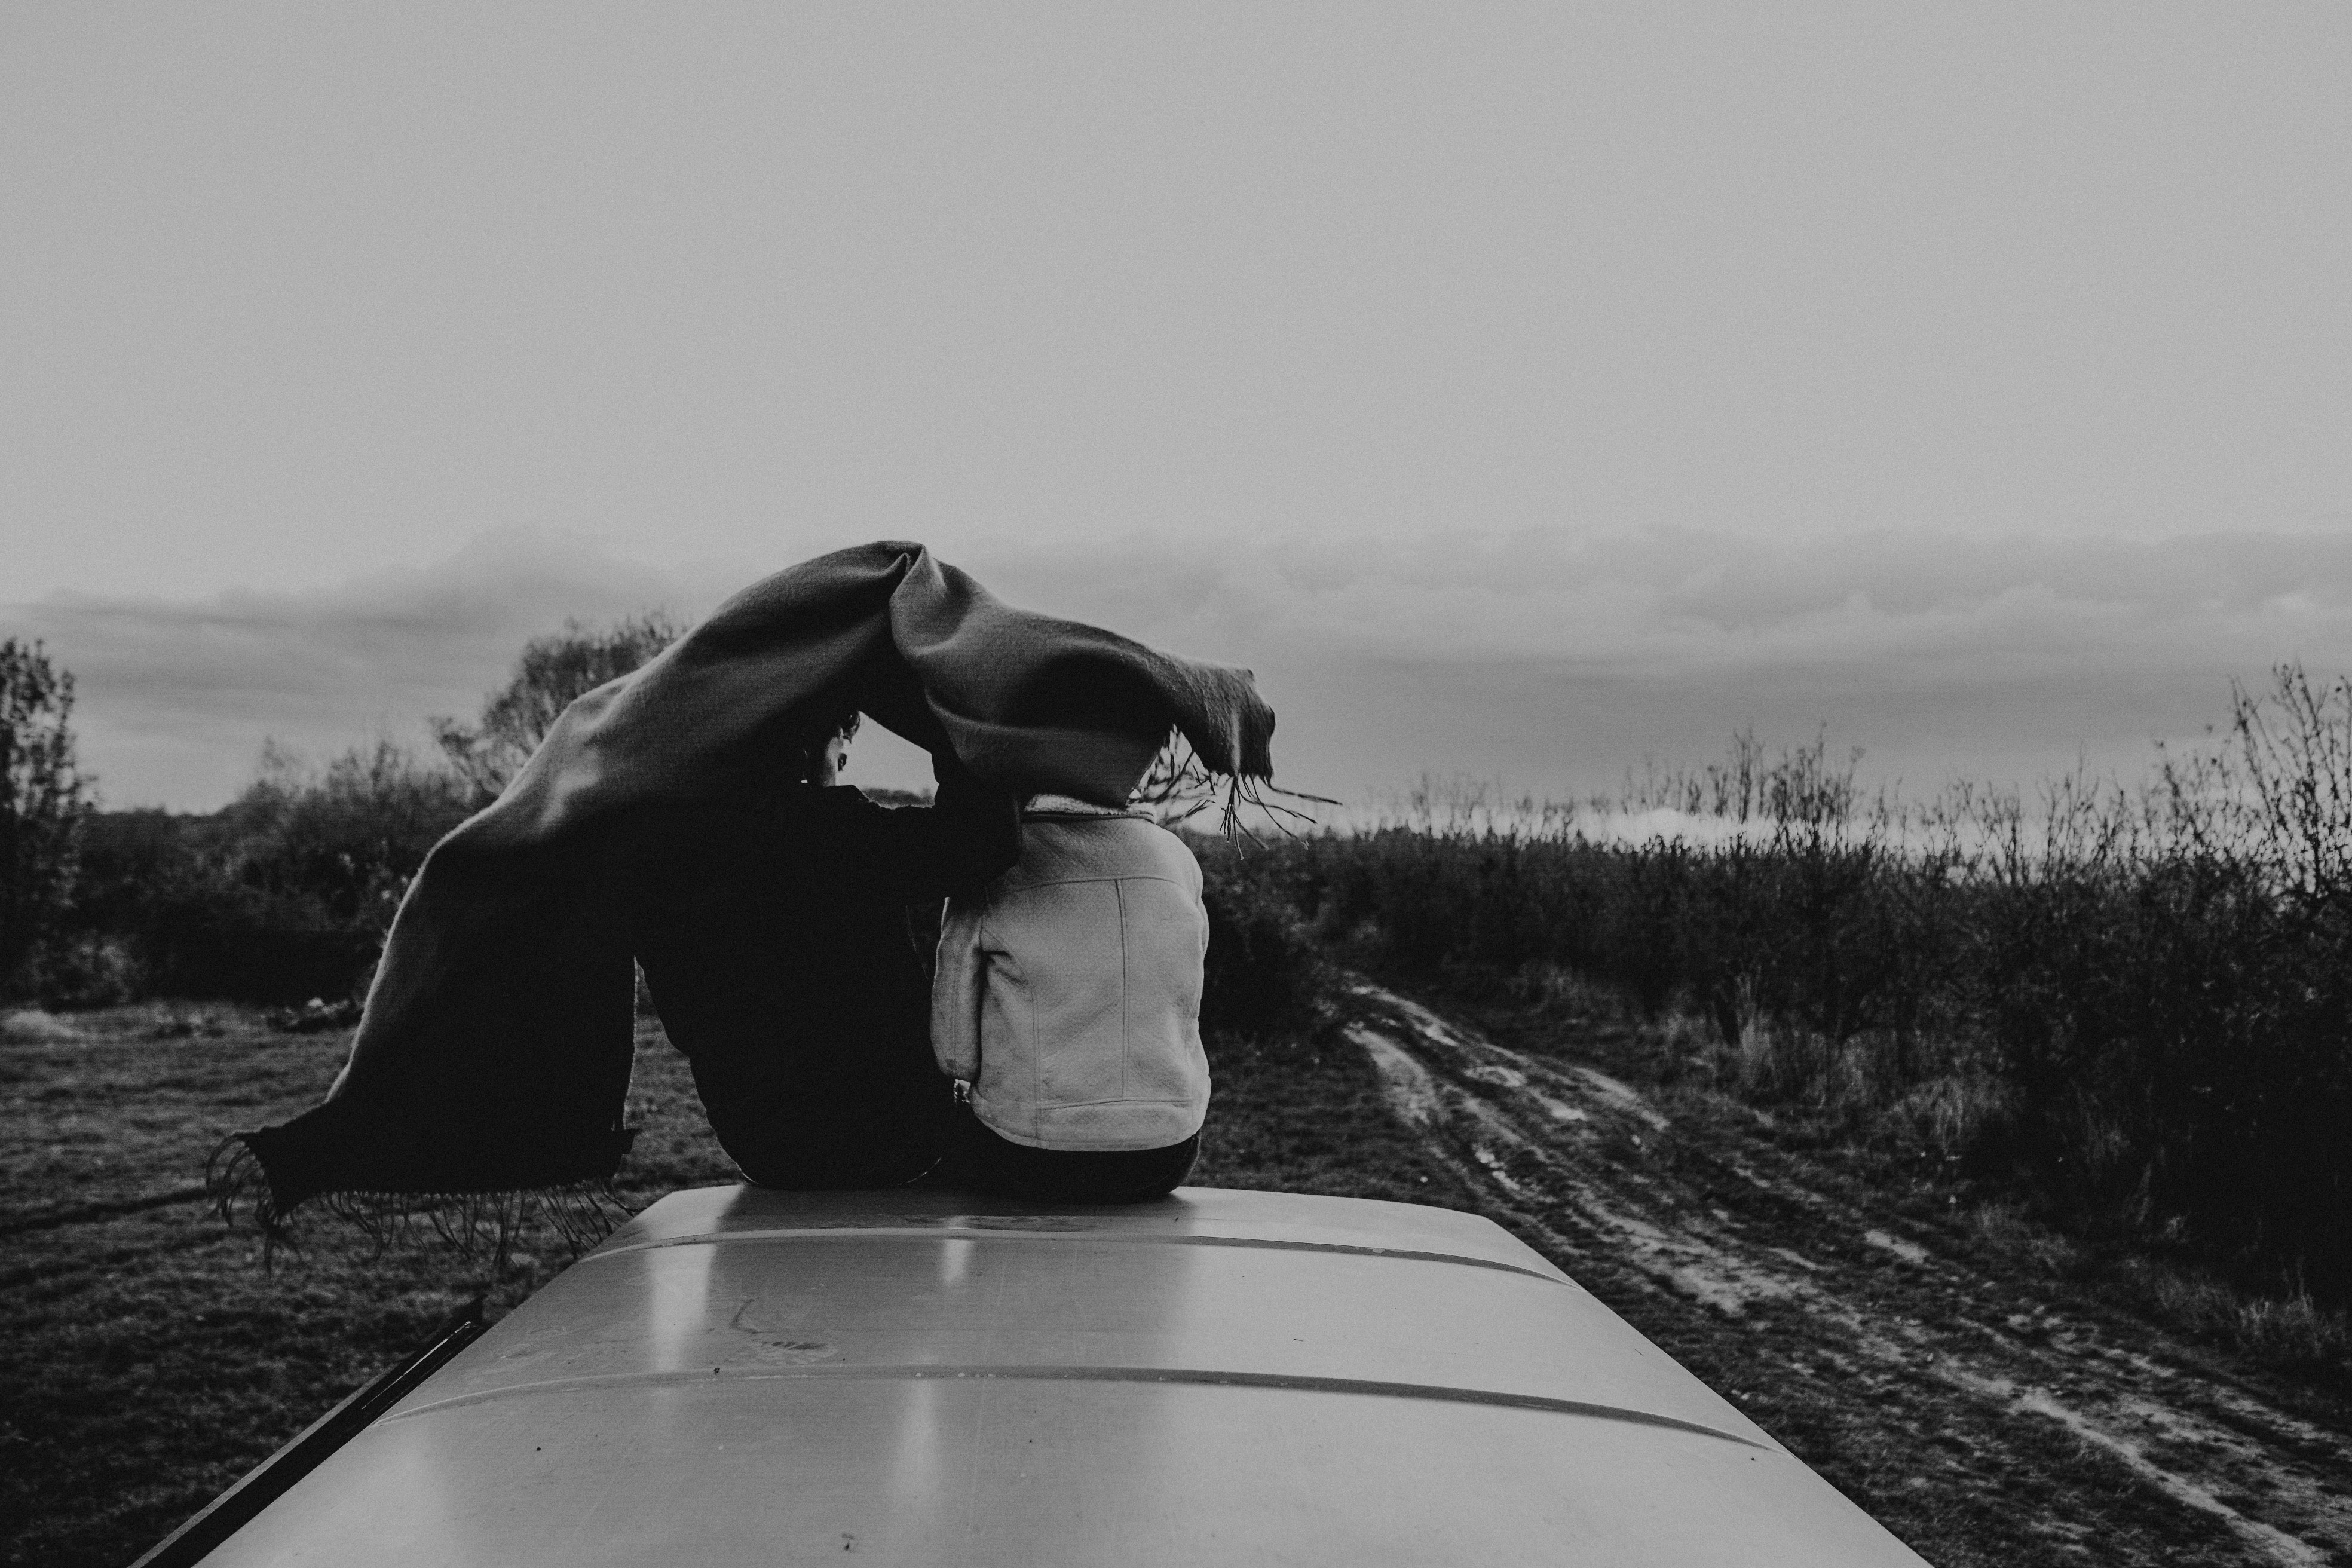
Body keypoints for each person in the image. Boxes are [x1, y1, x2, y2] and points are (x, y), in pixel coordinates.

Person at [623, 708, 1021, 1189]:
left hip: (762, 1147)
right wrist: (939, 715)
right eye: (841, 756)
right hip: (897, 1137)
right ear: (809, 752)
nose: (842, 772)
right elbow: (987, 837)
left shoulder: (662, 854)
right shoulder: (832, 832)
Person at [927, 789, 1211, 1203]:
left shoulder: (992, 860)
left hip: (1028, 1156)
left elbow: (955, 1055)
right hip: (1166, 1154)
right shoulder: (1178, 858)